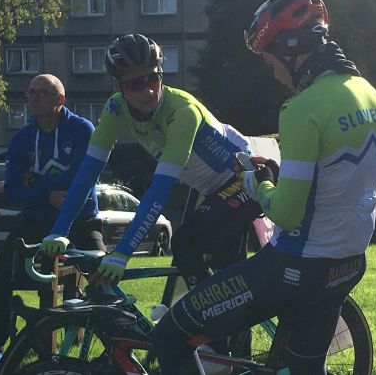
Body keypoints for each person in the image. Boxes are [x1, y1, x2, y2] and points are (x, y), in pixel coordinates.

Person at [149, 0, 376, 374]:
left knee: (170, 335)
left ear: (290, 49)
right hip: (347, 262)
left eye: (270, 59)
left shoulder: (303, 108)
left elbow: (288, 214)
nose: (273, 71)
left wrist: (256, 183)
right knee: (306, 368)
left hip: (294, 265)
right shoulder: (371, 96)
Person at [41, 34, 261, 291]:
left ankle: (212, 318)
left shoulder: (182, 112)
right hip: (211, 189)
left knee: (185, 244)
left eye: (153, 78)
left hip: (243, 178)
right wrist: (59, 229)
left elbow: (160, 190)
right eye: (135, 84)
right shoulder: (115, 108)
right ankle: (225, 323)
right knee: (216, 265)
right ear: (117, 86)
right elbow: (88, 172)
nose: (147, 91)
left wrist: (123, 253)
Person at [0, 74, 105, 375]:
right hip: (36, 220)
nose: (32, 98)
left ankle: (117, 343)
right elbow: (12, 190)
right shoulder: (21, 139)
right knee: (1, 274)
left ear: (59, 100)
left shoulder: (81, 130)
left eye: (41, 93)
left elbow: (83, 182)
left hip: (80, 218)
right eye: (30, 92)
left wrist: (37, 184)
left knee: (104, 274)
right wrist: (48, 194)